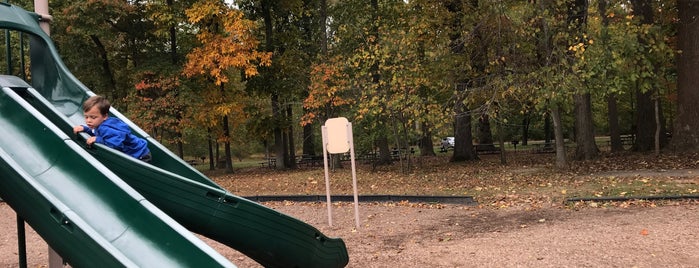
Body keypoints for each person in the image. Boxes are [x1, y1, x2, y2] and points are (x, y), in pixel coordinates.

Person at [73, 95, 152, 163]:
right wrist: (85, 129)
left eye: (93, 117)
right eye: (86, 117)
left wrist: (98, 140)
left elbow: (115, 144)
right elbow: (101, 134)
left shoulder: (105, 128)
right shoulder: (102, 124)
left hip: (140, 155)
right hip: (140, 150)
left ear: (104, 116)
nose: (88, 120)